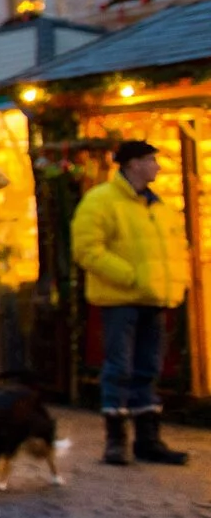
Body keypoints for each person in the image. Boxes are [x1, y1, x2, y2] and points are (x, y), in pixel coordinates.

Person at [71, 139, 191, 466]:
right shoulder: (101, 201)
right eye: (152, 160)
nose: (157, 167)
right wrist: (130, 277)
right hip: (121, 299)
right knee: (119, 368)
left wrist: (176, 284)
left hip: (154, 298)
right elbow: (87, 250)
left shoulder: (157, 205)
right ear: (133, 164)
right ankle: (116, 441)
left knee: (147, 368)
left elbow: (175, 250)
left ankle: (148, 439)